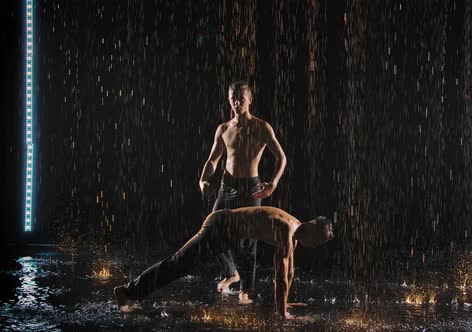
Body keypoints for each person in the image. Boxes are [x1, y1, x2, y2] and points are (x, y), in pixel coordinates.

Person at [114, 206, 334, 318]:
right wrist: (282, 314)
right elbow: (280, 276)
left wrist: (283, 305)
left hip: (227, 233)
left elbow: (289, 273)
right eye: (318, 240)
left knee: (180, 266)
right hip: (220, 225)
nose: (316, 246)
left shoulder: (293, 234)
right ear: (312, 227)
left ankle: (132, 292)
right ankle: (127, 291)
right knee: (178, 264)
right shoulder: (287, 229)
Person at [199, 81, 287, 302]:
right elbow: (213, 160)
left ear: (250, 99)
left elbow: (281, 158)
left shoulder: (261, 127)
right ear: (229, 100)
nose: (236, 102)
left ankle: (246, 290)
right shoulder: (224, 128)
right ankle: (231, 273)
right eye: (232, 98)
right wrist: (203, 179)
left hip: (251, 188)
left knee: (248, 240)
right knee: (210, 232)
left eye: (241, 97)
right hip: (226, 186)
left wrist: (273, 183)